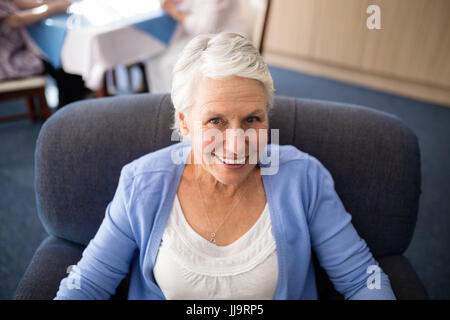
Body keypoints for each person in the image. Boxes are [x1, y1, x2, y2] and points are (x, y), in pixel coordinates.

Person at [55, 32, 396, 300]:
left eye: (252, 119)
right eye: (216, 120)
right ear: (185, 123)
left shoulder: (303, 177)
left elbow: (360, 278)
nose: (237, 145)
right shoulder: (141, 184)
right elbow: (87, 285)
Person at [0, 0, 90, 109]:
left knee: (60, 59)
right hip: (7, 62)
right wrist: (51, 9)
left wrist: (48, 3)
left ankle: (73, 104)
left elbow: (17, 3)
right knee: (62, 63)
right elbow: (16, 20)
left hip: (16, 50)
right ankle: (68, 110)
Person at [146, 0, 247, 93]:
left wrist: (174, 11)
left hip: (225, 41)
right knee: (154, 57)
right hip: (205, 38)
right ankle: (160, 102)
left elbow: (203, 29)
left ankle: (174, 104)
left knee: (166, 63)